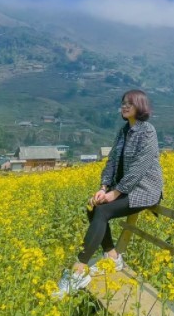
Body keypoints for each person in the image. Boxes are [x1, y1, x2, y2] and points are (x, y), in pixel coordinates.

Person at [54, 89, 163, 298]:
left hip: (144, 190)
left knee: (103, 212)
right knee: (94, 206)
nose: (124, 106)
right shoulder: (123, 132)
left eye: (129, 103)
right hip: (121, 189)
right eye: (122, 103)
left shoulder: (147, 131)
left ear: (139, 106)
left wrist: (115, 193)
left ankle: (78, 270)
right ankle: (113, 256)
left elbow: (140, 167)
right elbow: (112, 161)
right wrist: (103, 188)